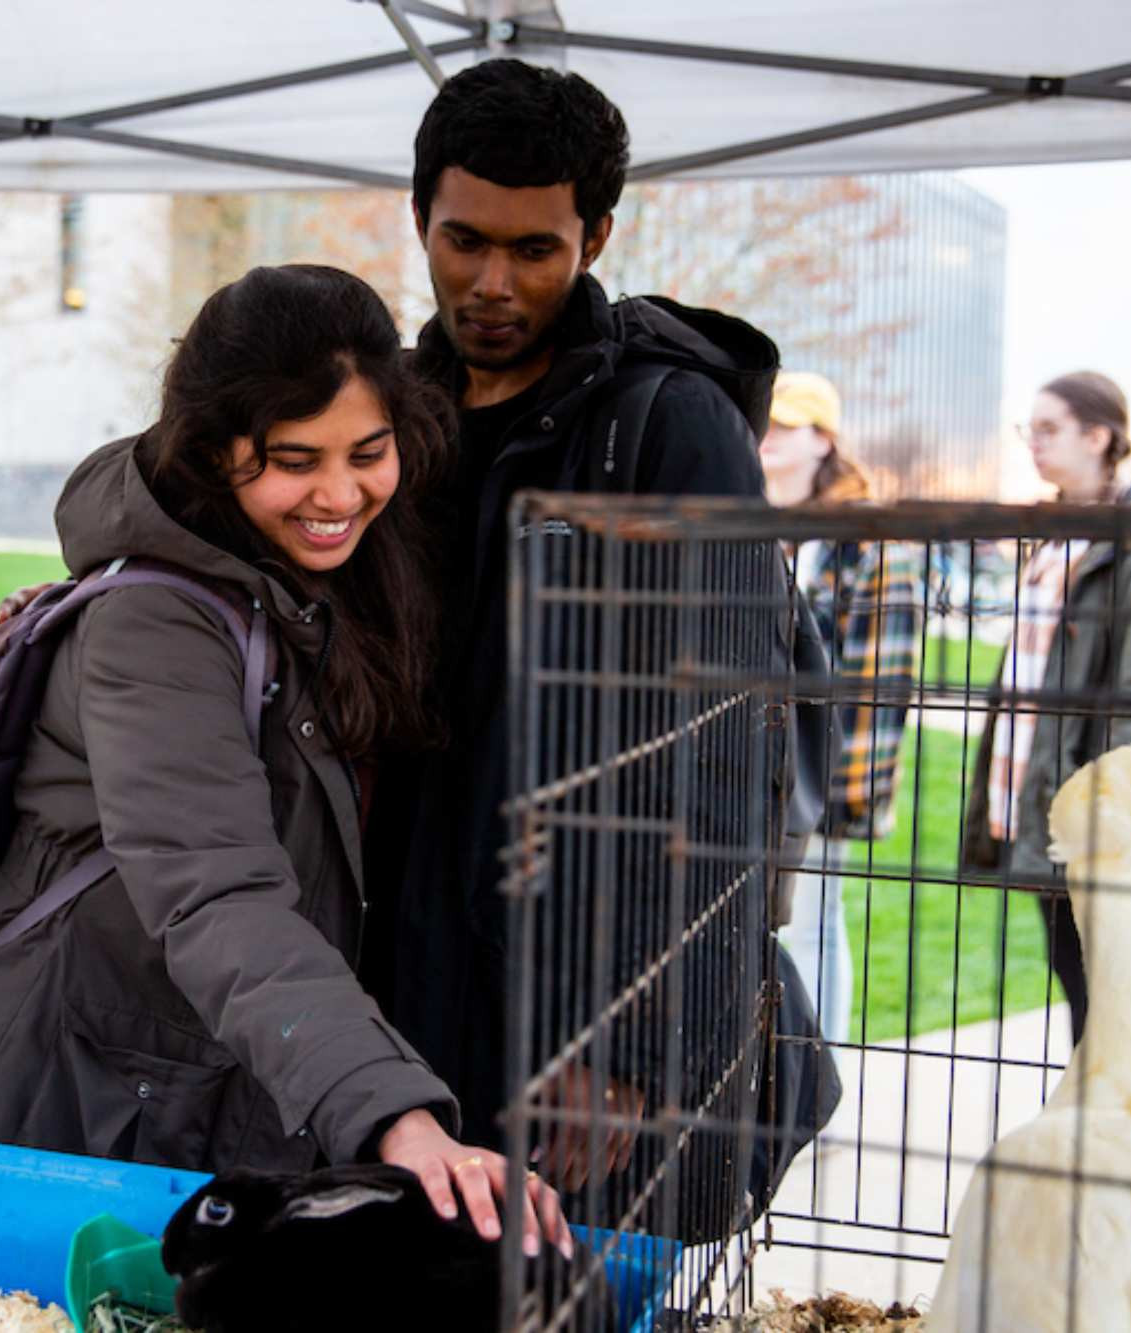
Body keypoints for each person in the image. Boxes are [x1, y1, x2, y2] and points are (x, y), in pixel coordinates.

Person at [0, 265, 569, 1258]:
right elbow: (218, 894)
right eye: (295, 460)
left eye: (366, 452)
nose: (339, 493)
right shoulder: (151, 622)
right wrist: (395, 1115)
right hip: (56, 1103)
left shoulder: (336, 570)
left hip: (206, 1079)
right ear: (214, 450)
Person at [363, 58, 789, 1216]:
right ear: (417, 218)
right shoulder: (389, 424)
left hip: (577, 1003)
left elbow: (723, 757)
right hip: (399, 986)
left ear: (594, 237)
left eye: (533, 250)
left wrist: (636, 1047)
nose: (491, 282)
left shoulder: (668, 426)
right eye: (461, 241)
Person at [965, 371, 1131, 1044]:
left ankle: (1117, 1129)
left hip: (1097, 812)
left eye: (1049, 428)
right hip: (1041, 788)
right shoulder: (1059, 532)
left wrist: (1116, 825)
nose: (1034, 443)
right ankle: (1106, 1121)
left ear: (1099, 436)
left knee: (1105, 990)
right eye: (1028, 429)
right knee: (1079, 976)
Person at [759, 372, 923, 1049]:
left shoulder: (867, 541)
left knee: (815, 922)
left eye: (783, 427)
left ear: (823, 439)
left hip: (822, 776)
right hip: (752, 767)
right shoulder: (753, 524)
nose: (765, 439)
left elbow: (881, 679)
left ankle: (814, 1066)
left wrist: (843, 793)